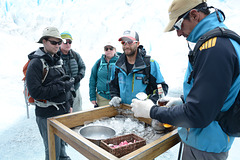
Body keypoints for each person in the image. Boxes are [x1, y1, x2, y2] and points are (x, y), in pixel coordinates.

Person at [131, 0, 240, 159]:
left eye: (178, 26)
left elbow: (198, 114)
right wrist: (184, 101)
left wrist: (152, 111)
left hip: (205, 146)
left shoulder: (215, 48)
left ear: (194, 15)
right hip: (204, 140)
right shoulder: (217, 42)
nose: (178, 33)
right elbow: (213, 96)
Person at [25, 27, 73, 160]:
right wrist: (61, 87)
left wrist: (69, 102)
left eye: (59, 42)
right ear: (44, 41)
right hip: (46, 115)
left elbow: (63, 83)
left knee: (62, 148)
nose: (57, 45)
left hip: (61, 111)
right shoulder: (35, 63)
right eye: (54, 42)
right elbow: (36, 92)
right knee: (53, 152)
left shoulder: (57, 59)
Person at [109, 30, 168, 106]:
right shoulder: (117, 66)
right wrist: (115, 96)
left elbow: (162, 87)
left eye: (130, 42)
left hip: (144, 113)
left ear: (137, 44)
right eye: (124, 42)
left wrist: (150, 102)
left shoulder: (149, 64)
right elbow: (113, 86)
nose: (126, 46)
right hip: (124, 112)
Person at [59, 31, 86, 112]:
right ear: (60, 42)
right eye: (65, 42)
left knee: (77, 111)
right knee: (64, 114)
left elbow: (82, 67)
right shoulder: (56, 56)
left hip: (76, 88)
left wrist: (79, 76)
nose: (68, 44)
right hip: (62, 91)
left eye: (69, 42)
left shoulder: (75, 55)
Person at [89, 42, 119, 107]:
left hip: (117, 98)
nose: (108, 50)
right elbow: (92, 80)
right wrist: (92, 97)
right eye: (106, 49)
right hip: (101, 98)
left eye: (111, 48)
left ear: (115, 50)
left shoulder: (120, 62)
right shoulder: (99, 63)